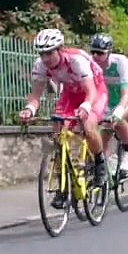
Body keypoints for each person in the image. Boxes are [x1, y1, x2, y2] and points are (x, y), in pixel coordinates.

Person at [18, 28, 107, 208]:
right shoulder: (40, 65)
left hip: (94, 91)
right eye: (42, 53)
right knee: (58, 136)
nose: (45, 58)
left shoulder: (76, 60)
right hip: (70, 94)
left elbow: (90, 91)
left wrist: (86, 106)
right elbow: (35, 95)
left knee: (88, 126)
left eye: (49, 53)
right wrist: (29, 109)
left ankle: (99, 163)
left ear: (60, 49)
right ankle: (62, 189)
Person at [88, 34, 128, 174]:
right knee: (101, 134)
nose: (95, 56)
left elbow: (125, 94)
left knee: (119, 118)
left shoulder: (120, 62)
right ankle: (106, 162)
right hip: (108, 100)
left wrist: (118, 111)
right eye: (93, 52)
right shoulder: (90, 65)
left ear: (109, 52)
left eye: (100, 53)